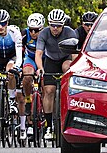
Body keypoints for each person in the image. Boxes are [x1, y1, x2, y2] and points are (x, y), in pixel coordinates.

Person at [35, 9, 78, 139]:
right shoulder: (44, 33)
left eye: (58, 26)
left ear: (63, 25)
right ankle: (49, 126)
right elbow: (39, 53)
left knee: (67, 66)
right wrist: (40, 68)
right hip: (51, 60)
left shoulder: (70, 33)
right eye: (52, 25)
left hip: (65, 59)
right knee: (48, 91)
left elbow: (75, 55)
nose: (55, 28)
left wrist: (74, 70)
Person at [0, 9, 23, 137]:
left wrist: (17, 67)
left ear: (8, 22)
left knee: (10, 71)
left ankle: (12, 101)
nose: (0, 27)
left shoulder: (15, 33)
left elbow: (19, 55)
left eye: (3, 23)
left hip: (11, 58)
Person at [18, 12, 45, 138]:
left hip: (44, 59)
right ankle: (28, 100)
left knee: (46, 82)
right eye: (31, 30)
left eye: (36, 30)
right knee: (27, 75)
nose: (33, 33)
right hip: (30, 58)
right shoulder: (24, 34)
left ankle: (45, 105)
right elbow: (18, 51)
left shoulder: (46, 34)